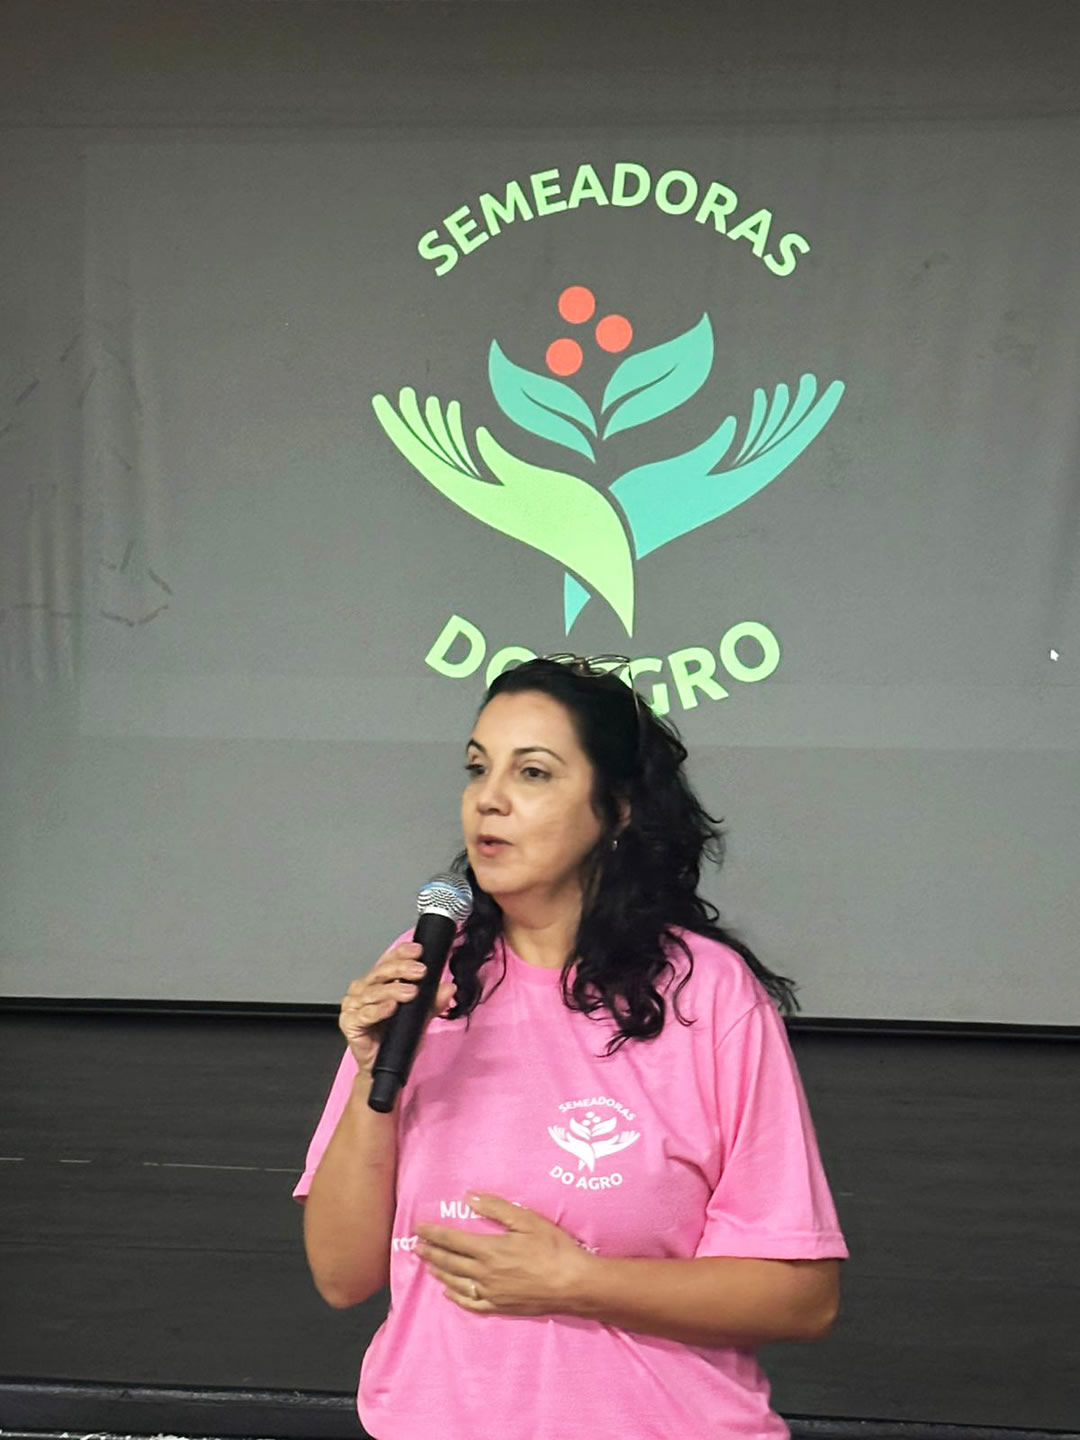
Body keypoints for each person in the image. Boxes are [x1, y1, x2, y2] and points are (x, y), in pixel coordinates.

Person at [294, 654, 849, 1440]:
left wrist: (578, 1282)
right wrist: (367, 1076)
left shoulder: (708, 994)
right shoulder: (425, 973)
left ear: (617, 809)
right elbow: (342, 1276)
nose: (489, 798)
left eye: (533, 773)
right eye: (478, 768)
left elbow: (802, 1299)